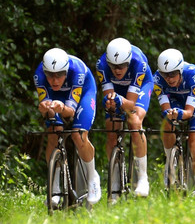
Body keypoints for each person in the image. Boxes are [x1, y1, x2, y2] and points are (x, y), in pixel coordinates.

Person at [33, 48, 101, 206]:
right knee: (53, 133)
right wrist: (45, 109)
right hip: (56, 98)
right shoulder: (39, 74)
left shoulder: (77, 71)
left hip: (83, 92)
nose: (54, 80)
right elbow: (47, 111)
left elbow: (70, 113)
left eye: (59, 75)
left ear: (66, 71)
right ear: (45, 72)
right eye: (50, 75)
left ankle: (92, 178)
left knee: (78, 135)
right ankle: (54, 188)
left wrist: (62, 108)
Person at [96, 38, 154, 199]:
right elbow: (109, 99)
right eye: (113, 66)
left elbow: (130, 103)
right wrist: (111, 103)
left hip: (140, 87)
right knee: (111, 126)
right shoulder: (101, 65)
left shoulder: (139, 63)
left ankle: (143, 178)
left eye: (121, 66)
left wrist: (120, 101)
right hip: (117, 89)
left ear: (128, 61)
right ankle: (115, 177)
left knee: (134, 121)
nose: (117, 69)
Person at [153, 48, 195, 202]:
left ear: (180, 69)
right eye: (165, 75)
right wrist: (171, 115)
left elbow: (189, 113)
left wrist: (181, 113)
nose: (169, 79)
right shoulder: (157, 79)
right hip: (176, 100)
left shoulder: (193, 74)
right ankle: (169, 160)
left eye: (172, 74)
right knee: (167, 123)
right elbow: (165, 110)